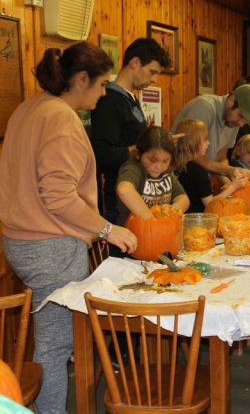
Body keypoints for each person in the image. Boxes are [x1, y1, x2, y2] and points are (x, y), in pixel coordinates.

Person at [0, 41, 137, 414]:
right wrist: (109, 229)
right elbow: (58, 196)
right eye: (102, 83)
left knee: (54, 343)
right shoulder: (61, 118)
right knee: (54, 346)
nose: (105, 92)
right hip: (51, 248)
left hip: (20, 241)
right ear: (81, 79)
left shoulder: (29, 108)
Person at [91, 37, 171, 224]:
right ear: (134, 62)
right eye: (152, 72)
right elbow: (102, 153)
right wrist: (139, 150)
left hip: (140, 189)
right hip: (120, 197)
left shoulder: (129, 99)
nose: (154, 79)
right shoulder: (110, 101)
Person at [171, 83, 250, 182]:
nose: (241, 124)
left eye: (246, 121)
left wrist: (226, 182)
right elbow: (193, 156)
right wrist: (228, 171)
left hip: (200, 182)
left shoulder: (233, 120)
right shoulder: (205, 107)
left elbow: (221, 157)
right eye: (241, 116)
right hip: (179, 181)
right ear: (231, 100)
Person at [116, 126, 190, 227]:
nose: (159, 167)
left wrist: (175, 208)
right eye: (153, 160)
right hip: (134, 236)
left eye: (165, 161)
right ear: (138, 154)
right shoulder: (133, 169)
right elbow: (124, 190)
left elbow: (183, 198)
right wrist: (152, 220)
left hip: (162, 233)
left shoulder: (166, 172)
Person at [174, 119, 248, 213]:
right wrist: (234, 186)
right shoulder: (197, 171)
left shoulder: (177, 165)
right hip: (196, 223)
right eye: (205, 140)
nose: (208, 143)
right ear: (193, 142)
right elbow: (210, 204)